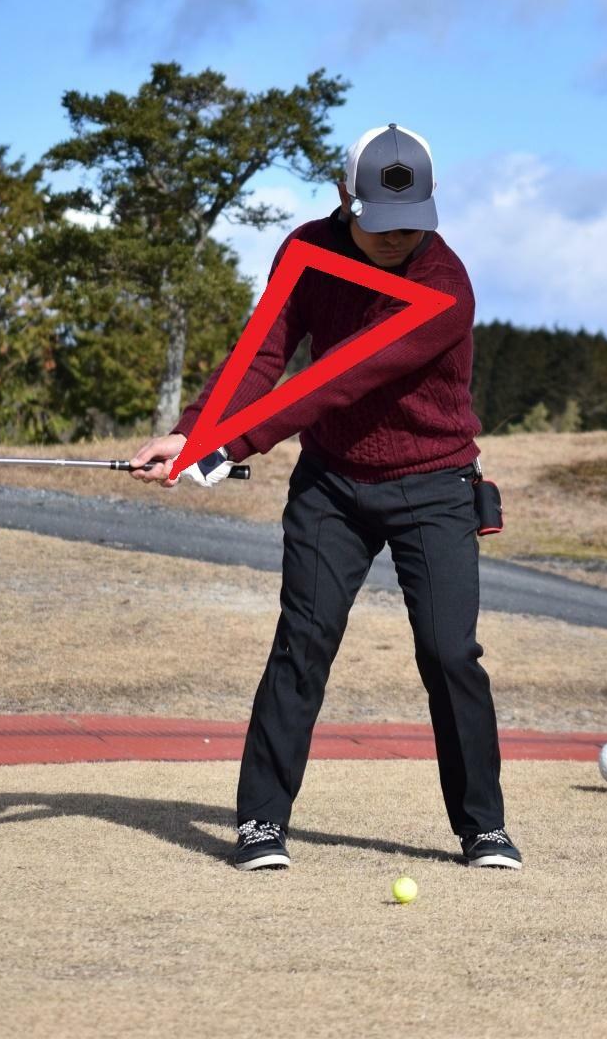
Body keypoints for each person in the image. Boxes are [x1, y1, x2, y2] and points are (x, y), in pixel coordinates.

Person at [127, 123, 520, 872]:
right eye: (383, 224)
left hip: (435, 485)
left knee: (449, 654)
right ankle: (261, 824)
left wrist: (229, 446)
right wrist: (192, 433)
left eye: (414, 222)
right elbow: (264, 351)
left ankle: (483, 828)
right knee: (302, 643)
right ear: (345, 198)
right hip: (333, 486)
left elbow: (336, 375)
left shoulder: (444, 287)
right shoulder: (306, 250)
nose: (400, 237)